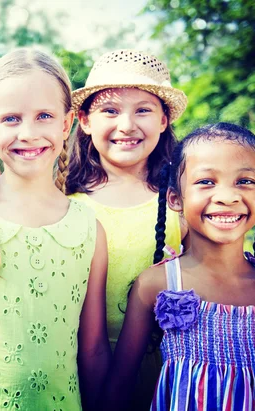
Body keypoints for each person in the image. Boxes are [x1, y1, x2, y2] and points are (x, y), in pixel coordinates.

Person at [0, 48, 110, 411]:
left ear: (66, 124)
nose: (28, 133)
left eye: (44, 116)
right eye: (11, 118)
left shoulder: (89, 228)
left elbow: (92, 347)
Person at [103, 122, 255, 410]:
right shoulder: (157, 284)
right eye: (206, 182)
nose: (228, 196)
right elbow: (120, 386)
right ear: (175, 199)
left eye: (245, 181)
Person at [66, 49, 188, 409]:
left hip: (166, 371)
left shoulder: (181, 202)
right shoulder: (65, 201)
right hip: (78, 370)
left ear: (164, 120)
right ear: (85, 121)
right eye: (110, 110)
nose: (126, 125)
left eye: (143, 110)